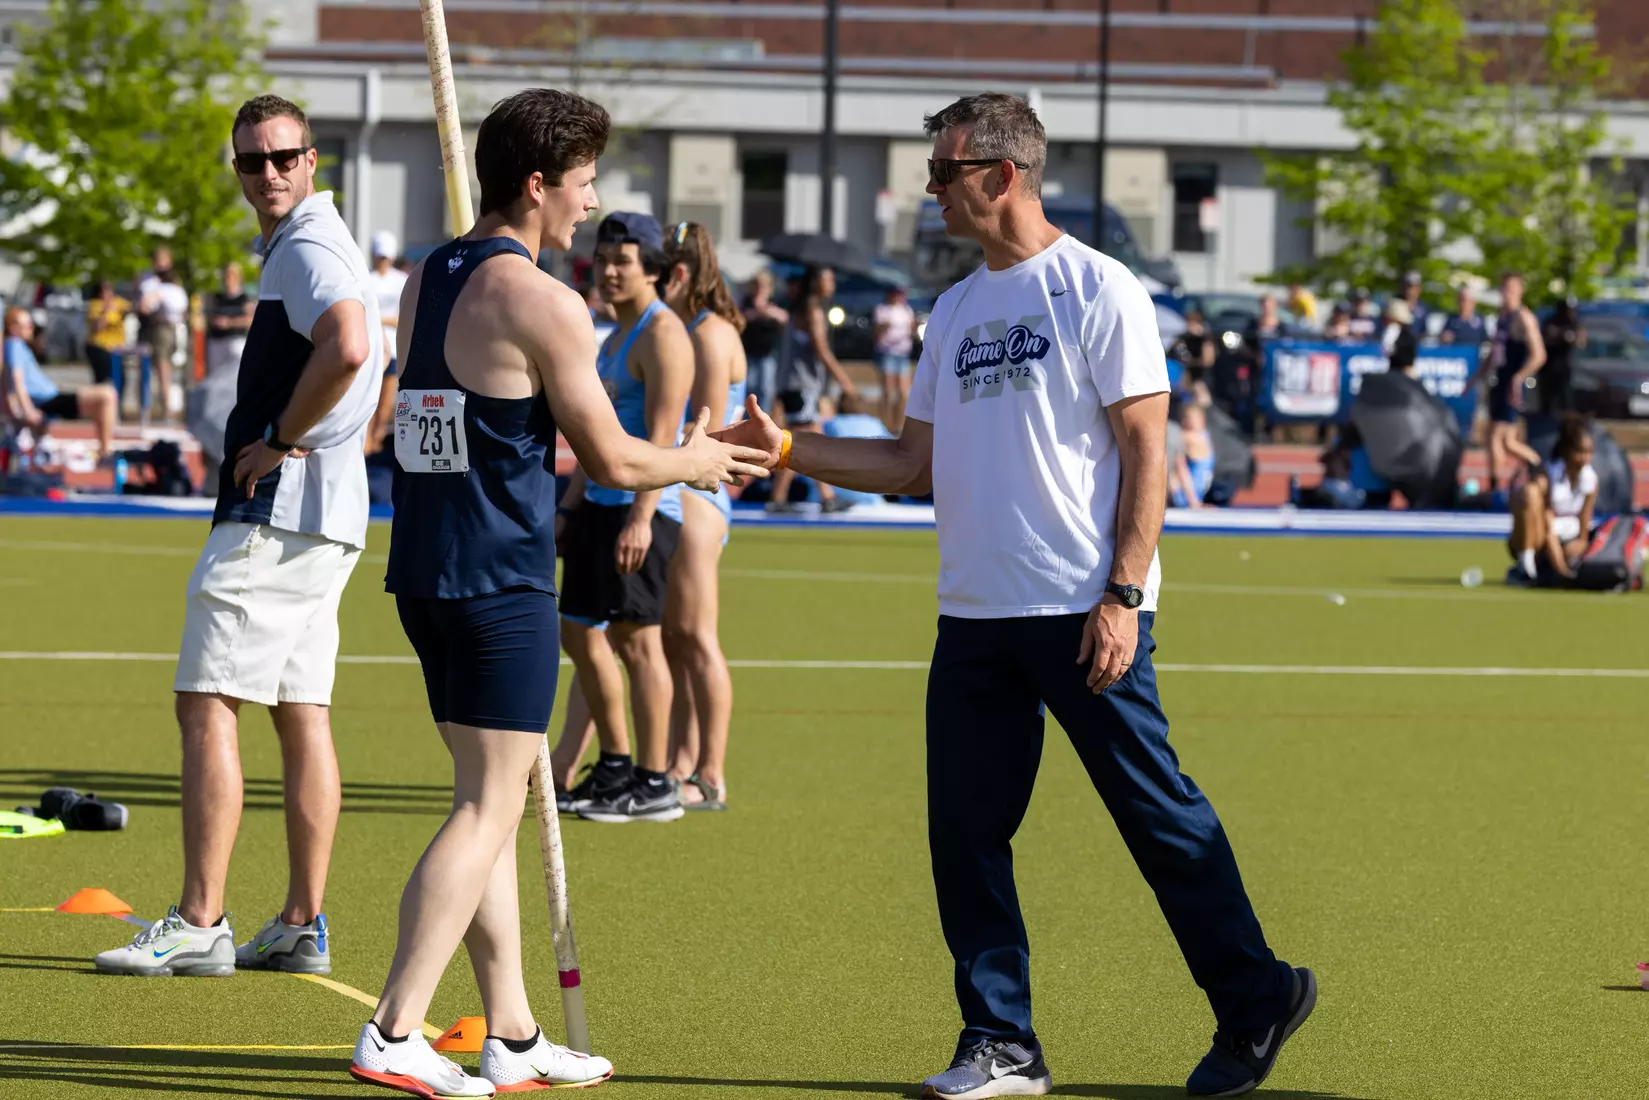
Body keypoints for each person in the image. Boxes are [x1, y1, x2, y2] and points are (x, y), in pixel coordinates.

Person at [715, 91, 1311, 1100]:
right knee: (966, 834)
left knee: (1155, 817)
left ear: (999, 173)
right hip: (974, 615)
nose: (931, 190)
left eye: (944, 172)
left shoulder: (1097, 288)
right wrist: (779, 446)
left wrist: (1122, 591)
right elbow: (911, 464)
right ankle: (1001, 1041)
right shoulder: (952, 310)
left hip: (1085, 607)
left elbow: (1144, 450)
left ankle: (1255, 995)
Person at [356, 89, 765, 1099]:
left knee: (484, 803)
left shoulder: (432, 272)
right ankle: (395, 1025)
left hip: (428, 570)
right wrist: (698, 457)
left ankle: (514, 1030)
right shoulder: (545, 303)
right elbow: (613, 452)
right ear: (537, 183)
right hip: (498, 581)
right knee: (489, 802)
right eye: (582, 185)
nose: (588, 208)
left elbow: (434, 417)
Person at [92, 94, 382, 982]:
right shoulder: (321, 240)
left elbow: (350, 345)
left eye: (282, 156)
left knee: (207, 701)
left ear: (311, 156)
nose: (268, 174)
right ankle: (299, 922)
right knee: (302, 714)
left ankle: (199, 919)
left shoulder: (306, 245)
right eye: (252, 161)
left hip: (278, 511)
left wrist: (285, 439)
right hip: (327, 515)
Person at [552, 211, 695, 825]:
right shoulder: (613, 338)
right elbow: (596, 438)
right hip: (599, 508)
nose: (608, 272)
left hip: (644, 510)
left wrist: (641, 518)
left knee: (637, 642)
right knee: (579, 631)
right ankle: (614, 765)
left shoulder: (664, 335)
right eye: (603, 260)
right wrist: (569, 507)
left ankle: (656, 779)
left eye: (623, 262)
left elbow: (663, 438)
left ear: (656, 272)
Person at [767, 266, 856, 513]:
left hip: (794, 385)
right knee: (802, 443)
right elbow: (821, 349)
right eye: (828, 279)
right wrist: (844, 379)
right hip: (801, 385)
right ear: (815, 282)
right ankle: (781, 498)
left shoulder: (798, 309)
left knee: (803, 442)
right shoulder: (812, 311)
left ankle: (822, 497)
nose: (832, 285)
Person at [2, 306, 118, 456]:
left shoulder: (20, 346)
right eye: (28, 326)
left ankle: (104, 450)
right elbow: (16, 380)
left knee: (105, 396)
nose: (32, 329)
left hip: (52, 397)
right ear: (14, 328)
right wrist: (28, 411)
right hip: (46, 402)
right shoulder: (14, 344)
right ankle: (105, 452)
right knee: (106, 395)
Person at [1471, 272, 1545, 495]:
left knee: (1497, 437)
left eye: (1512, 288)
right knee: (1503, 441)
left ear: (1520, 291)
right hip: (1500, 380)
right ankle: (1537, 467)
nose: (1507, 293)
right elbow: (1494, 351)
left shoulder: (1523, 318)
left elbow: (1539, 355)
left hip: (1513, 383)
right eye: (1504, 288)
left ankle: (1496, 487)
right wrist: (1477, 376)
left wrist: (1519, 377)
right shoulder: (1503, 316)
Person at [1507, 413, 1596, 586]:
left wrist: (1579, 547)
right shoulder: (1548, 474)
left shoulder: (1590, 479)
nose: (1585, 459)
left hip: (1567, 538)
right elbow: (1548, 528)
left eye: (1588, 453)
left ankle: (1545, 571)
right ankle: (1525, 568)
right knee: (1529, 493)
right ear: (1566, 451)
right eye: (1580, 452)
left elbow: (1585, 524)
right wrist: (1561, 568)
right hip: (1541, 537)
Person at [363, 232, 409, 459]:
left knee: (384, 406)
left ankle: (375, 446)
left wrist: (379, 319)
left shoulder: (400, 280)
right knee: (368, 404)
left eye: (385, 257)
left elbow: (405, 317)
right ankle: (368, 446)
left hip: (392, 348)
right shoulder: (366, 279)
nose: (382, 261)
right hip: (371, 348)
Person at [137, 246, 191, 420]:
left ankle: (169, 407)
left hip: (174, 328)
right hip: (158, 328)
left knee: (171, 369)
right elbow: (145, 306)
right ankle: (162, 408)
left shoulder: (173, 282)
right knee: (160, 370)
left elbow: (182, 307)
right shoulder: (151, 282)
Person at [740, 270, 787, 410]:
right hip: (750, 352)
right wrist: (760, 311)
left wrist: (768, 312)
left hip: (767, 353)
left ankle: (763, 417)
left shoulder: (775, 302)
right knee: (749, 387)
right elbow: (742, 317)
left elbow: (784, 317)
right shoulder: (747, 301)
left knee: (766, 389)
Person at [874, 285, 917, 432]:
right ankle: (885, 423)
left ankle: (899, 425)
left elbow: (911, 330)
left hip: (902, 352)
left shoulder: (907, 310)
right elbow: (877, 331)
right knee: (888, 392)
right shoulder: (882, 310)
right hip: (887, 352)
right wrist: (885, 327)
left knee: (903, 392)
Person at [205, 262, 255, 379]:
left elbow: (250, 320)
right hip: (217, 341)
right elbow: (208, 316)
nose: (227, 279)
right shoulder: (216, 298)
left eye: (231, 276)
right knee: (215, 376)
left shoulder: (245, 299)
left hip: (236, 340)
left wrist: (230, 323)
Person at [1539, 298, 1584, 416]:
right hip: (1548, 367)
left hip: (1565, 367)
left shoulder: (1574, 323)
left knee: (1566, 400)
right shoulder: (1551, 321)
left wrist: (1568, 336)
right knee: (1547, 401)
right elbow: (1548, 334)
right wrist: (1562, 335)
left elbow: (1580, 341)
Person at [84, 280, 131, 388]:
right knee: (102, 379)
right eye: (105, 290)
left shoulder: (118, 302)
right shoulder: (95, 305)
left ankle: (117, 402)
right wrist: (106, 311)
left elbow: (130, 309)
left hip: (116, 348)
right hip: (100, 347)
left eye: (110, 289)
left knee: (121, 380)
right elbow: (97, 328)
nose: (109, 293)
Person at [1172, 401, 1214, 508]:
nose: (1184, 421)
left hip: (1197, 493)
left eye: (1188, 418)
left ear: (1201, 418)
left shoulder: (1203, 435)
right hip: (1183, 495)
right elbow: (1180, 468)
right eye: (1183, 418)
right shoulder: (1187, 437)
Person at [1441, 285, 1487, 349]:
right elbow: (1442, 337)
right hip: (1456, 356)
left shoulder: (1480, 321)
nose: (1463, 304)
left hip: (1474, 355)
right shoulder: (1451, 319)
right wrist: (1445, 337)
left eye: (1466, 300)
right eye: (1460, 300)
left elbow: (1485, 341)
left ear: (1473, 302)